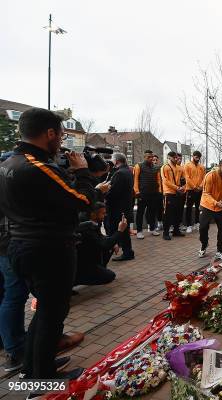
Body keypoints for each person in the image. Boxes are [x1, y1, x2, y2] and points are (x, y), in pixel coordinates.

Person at [0, 108, 98, 385]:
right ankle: (40, 378)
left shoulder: (9, 163)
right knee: (52, 314)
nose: (62, 142)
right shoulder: (37, 167)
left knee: (45, 312)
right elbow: (82, 201)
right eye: (61, 135)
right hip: (47, 249)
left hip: (21, 245)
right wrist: (82, 172)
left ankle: (35, 365)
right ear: (50, 133)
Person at [0, 210, 28, 372]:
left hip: (7, 243)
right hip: (9, 243)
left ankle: (15, 343)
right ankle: (15, 349)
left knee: (13, 295)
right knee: (14, 295)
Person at [75, 203, 127, 286]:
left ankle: (99, 269)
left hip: (88, 259)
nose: (105, 215)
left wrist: (112, 242)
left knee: (111, 245)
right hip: (82, 263)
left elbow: (100, 238)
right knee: (110, 276)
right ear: (93, 214)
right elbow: (103, 244)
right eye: (102, 213)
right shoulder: (86, 226)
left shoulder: (94, 222)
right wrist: (120, 231)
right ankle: (77, 280)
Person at [198, 157, 222, 260]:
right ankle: (204, 245)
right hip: (207, 205)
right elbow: (206, 193)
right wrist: (216, 203)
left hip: (221, 207)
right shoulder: (210, 175)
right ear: (219, 165)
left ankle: (220, 250)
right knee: (203, 228)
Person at [105, 153, 135, 261]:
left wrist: (104, 193)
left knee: (118, 230)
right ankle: (128, 252)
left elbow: (114, 192)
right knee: (124, 231)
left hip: (117, 207)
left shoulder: (120, 173)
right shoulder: (128, 171)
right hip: (125, 206)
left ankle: (124, 252)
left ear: (116, 161)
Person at [133, 150, 162, 239]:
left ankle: (152, 229)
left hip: (153, 193)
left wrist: (159, 191)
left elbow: (158, 181)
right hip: (142, 194)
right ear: (145, 157)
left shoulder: (155, 168)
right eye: (149, 157)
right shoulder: (139, 166)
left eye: (152, 157)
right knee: (140, 213)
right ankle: (139, 231)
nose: (151, 158)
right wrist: (137, 192)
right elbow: (135, 180)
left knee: (152, 212)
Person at [161, 152, 186, 240]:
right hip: (169, 193)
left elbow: (184, 179)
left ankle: (176, 230)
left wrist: (183, 187)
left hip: (178, 193)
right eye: (174, 158)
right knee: (167, 214)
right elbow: (165, 181)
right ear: (169, 157)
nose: (176, 159)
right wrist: (177, 188)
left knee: (178, 213)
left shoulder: (180, 168)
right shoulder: (165, 167)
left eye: (177, 158)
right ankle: (166, 232)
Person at [184, 151, 206, 233]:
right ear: (193, 156)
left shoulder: (202, 167)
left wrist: (200, 186)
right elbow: (187, 177)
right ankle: (188, 225)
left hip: (199, 190)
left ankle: (197, 223)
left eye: (199, 157)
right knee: (189, 208)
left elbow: (204, 177)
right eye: (196, 157)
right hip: (190, 190)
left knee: (198, 208)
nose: (198, 159)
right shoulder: (187, 165)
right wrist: (194, 187)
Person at [152, 154, 164, 231]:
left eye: (156, 160)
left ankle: (160, 223)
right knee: (152, 209)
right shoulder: (148, 169)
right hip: (151, 192)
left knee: (160, 208)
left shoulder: (160, 168)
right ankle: (152, 225)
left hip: (160, 192)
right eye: (154, 160)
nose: (155, 161)